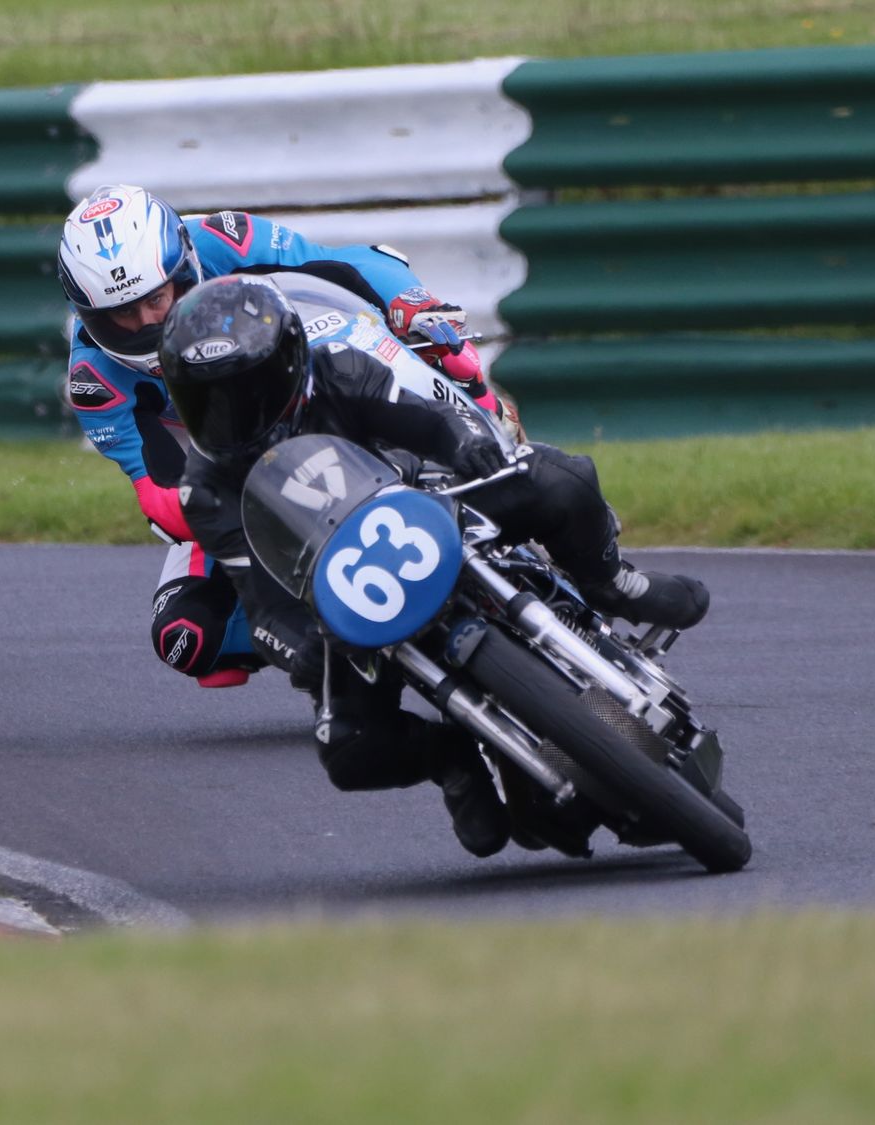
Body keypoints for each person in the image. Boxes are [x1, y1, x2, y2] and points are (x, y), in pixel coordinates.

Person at [157, 273, 710, 858]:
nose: (231, 415)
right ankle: (452, 761)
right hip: (347, 596)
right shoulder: (206, 491)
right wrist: (303, 650)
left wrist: (466, 446)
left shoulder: (340, 371)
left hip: (426, 506)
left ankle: (613, 583)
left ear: (289, 365)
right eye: (208, 402)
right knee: (347, 748)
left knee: (563, 481)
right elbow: (261, 600)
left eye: (246, 392)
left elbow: (433, 418)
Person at [57, 183, 520, 689]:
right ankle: (350, 656)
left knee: (449, 353)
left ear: (184, 268)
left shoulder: (220, 238)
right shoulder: (95, 383)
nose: (150, 323)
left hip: (324, 382)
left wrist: (411, 304)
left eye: (159, 299)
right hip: (236, 468)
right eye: (125, 316)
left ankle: (502, 450)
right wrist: (255, 501)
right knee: (185, 633)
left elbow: (342, 265)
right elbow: (163, 495)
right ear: (90, 317)